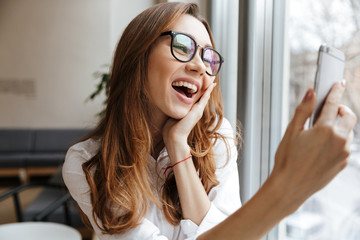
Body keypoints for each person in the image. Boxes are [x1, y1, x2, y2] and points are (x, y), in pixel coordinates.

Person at [62, 2, 357, 240]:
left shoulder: (218, 137)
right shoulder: (88, 163)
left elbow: (224, 227)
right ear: (137, 56)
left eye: (209, 57)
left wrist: (178, 146)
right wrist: (289, 187)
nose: (199, 66)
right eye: (182, 46)